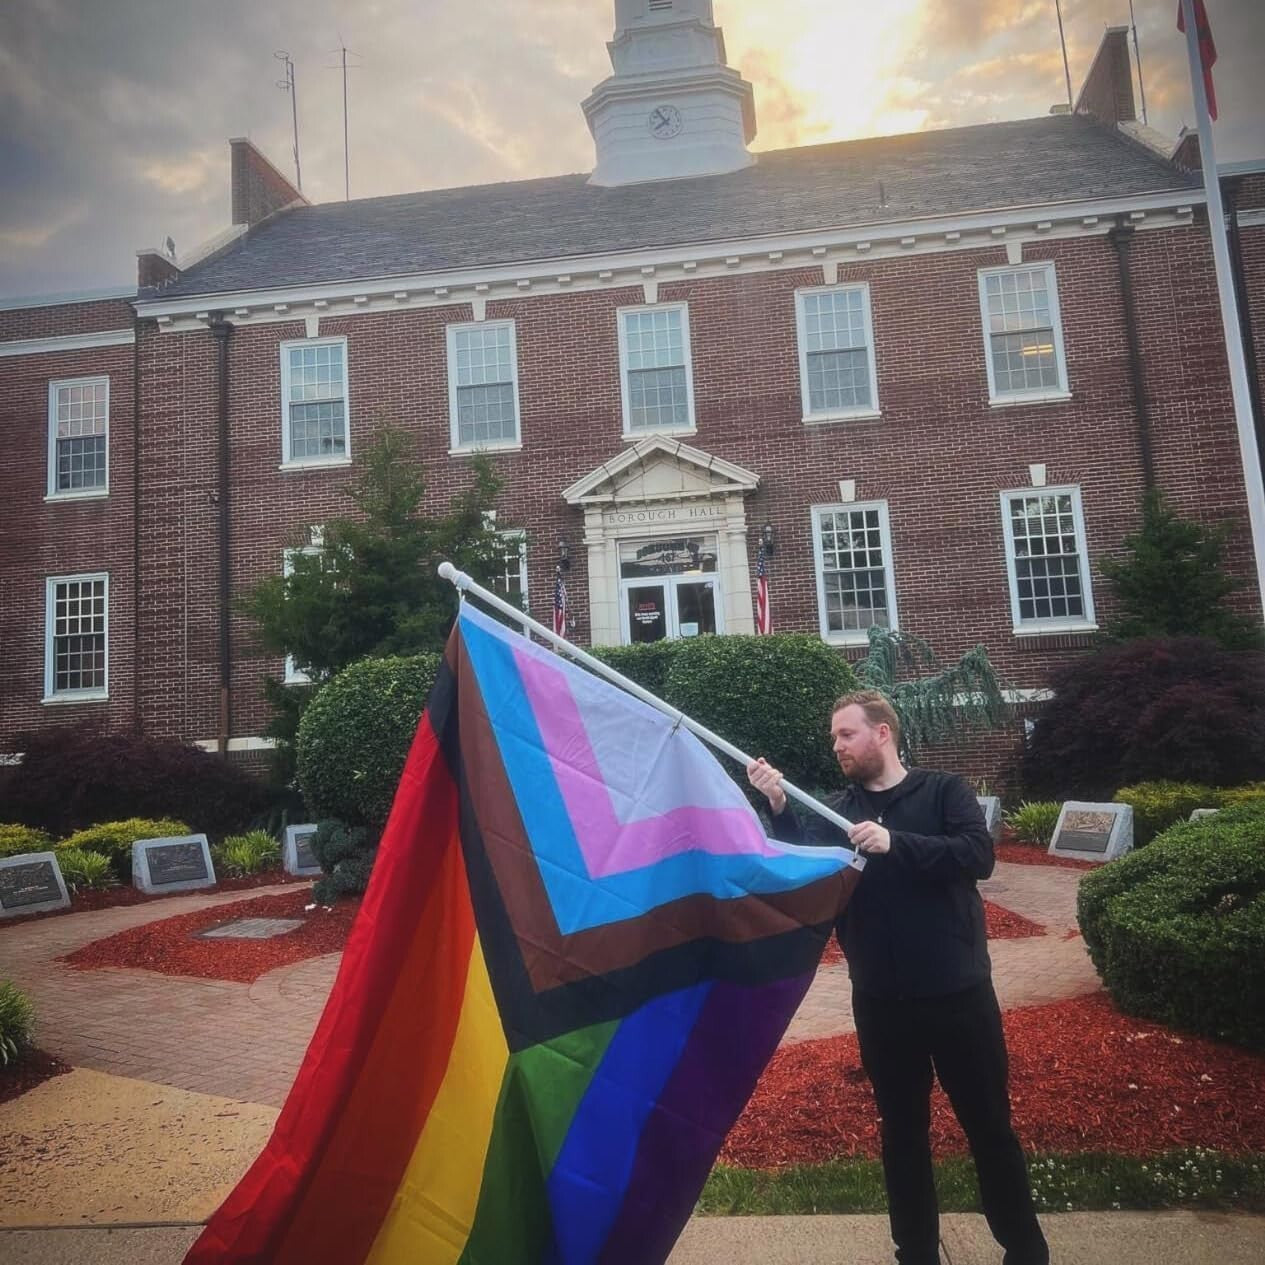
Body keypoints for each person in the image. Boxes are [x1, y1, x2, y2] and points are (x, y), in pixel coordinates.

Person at [747, 689, 1048, 1265]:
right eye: (834, 736)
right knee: (902, 1135)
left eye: (846, 734)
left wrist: (895, 843)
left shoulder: (942, 792)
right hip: (883, 1003)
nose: (837, 745)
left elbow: (975, 856)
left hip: (959, 995)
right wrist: (780, 804)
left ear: (882, 733)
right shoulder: (840, 810)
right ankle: (915, 1252)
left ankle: (1026, 1248)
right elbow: (805, 870)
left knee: (989, 1127)